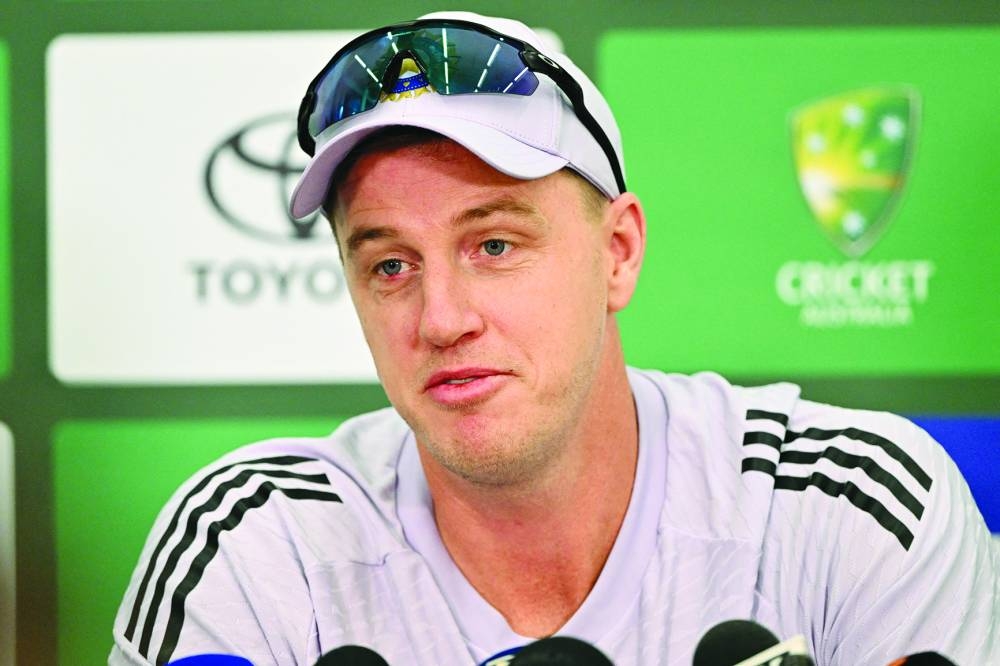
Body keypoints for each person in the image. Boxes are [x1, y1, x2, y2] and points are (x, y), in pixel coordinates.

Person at [110, 11, 998, 666]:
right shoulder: (256, 546)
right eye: (389, 266)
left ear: (617, 253)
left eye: (494, 245)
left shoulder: (850, 508)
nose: (442, 317)